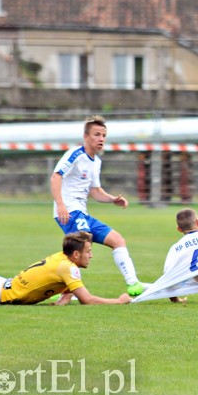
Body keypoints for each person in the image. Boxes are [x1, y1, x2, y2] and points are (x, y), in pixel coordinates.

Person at [50, 115, 147, 296]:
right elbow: (56, 176)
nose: (101, 139)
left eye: (103, 135)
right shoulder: (75, 155)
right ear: (86, 137)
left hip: (81, 213)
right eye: (96, 134)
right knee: (81, 248)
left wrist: (112, 199)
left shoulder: (96, 162)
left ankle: (133, 285)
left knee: (117, 240)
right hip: (69, 212)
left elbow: (95, 191)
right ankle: (65, 291)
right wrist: (61, 205)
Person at [0, 231, 131, 306]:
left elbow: (68, 290)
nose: (91, 255)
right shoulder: (69, 268)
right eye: (88, 251)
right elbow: (87, 300)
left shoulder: (62, 260)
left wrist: (62, 301)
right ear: (75, 255)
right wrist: (119, 301)